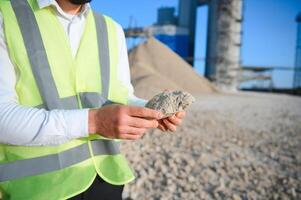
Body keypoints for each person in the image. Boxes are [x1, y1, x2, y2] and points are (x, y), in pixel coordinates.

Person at [0, 0, 186, 199]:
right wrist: (94, 122)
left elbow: (121, 96)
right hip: (37, 189)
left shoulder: (110, 29)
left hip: (106, 182)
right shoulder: (7, 15)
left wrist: (150, 110)